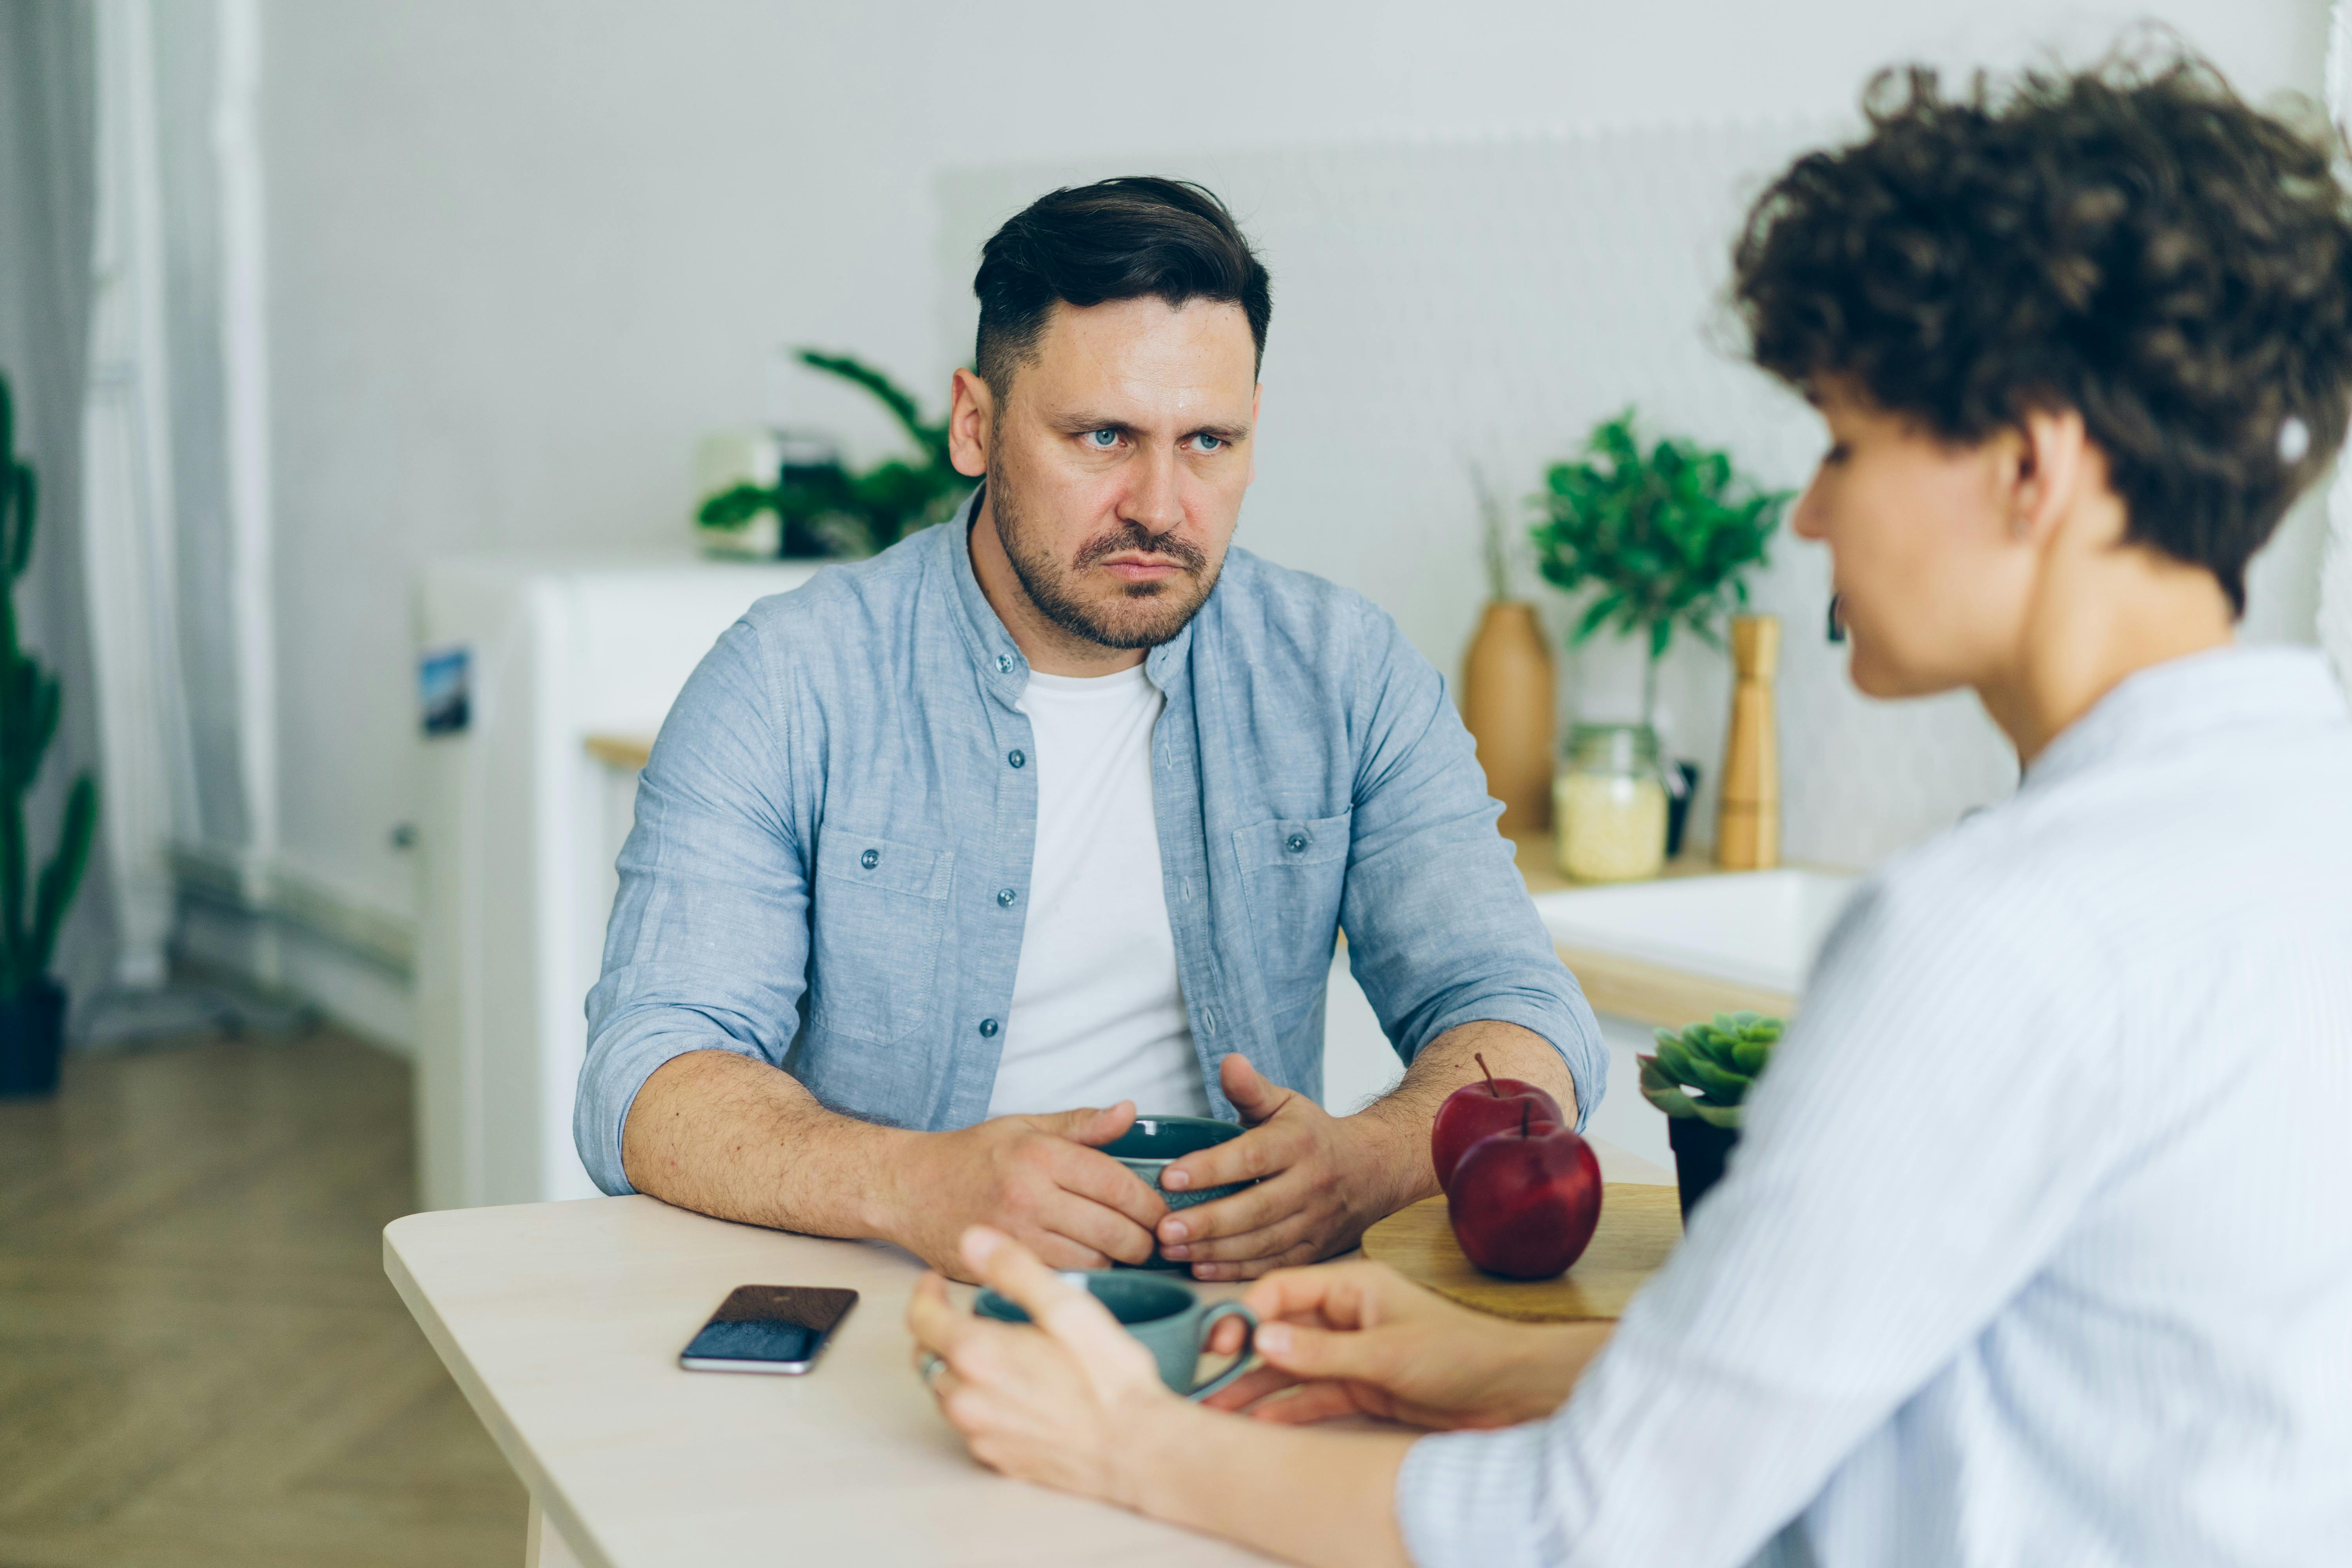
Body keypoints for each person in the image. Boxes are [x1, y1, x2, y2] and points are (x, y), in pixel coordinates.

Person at [908, 52, 2352, 1566]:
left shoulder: (2002, 937)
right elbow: (2011, 1380)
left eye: (1848, 444)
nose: (1811, 512)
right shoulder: (2301, 825)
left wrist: (1130, 1446)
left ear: (2031, 472)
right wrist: (1509, 1363)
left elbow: (1586, 1530)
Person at [575, 176, 1604, 1283]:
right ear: (976, 425)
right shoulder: (788, 681)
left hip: (1233, 1319)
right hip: (900, 1297)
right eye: (1104, 435)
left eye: (1209, 441)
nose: (1161, 505)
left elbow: (1519, 1015)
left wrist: (1376, 1160)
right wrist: (914, 1183)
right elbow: (648, 1074)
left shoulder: (1345, 673)